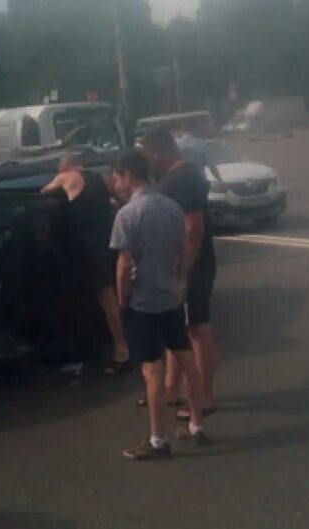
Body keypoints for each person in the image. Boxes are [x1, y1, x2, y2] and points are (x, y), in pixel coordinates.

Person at [110, 149, 209, 460]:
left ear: (127, 175)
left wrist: (123, 299)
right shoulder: (172, 207)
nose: (116, 184)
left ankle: (157, 440)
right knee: (184, 357)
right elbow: (185, 248)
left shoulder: (127, 214)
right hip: (170, 297)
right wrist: (179, 282)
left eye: (117, 177)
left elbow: (124, 266)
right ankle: (196, 425)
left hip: (143, 302)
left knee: (152, 370)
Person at [140, 127, 219, 422]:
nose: (149, 161)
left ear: (158, 152)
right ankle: (171, 390)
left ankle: (205, 397)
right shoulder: (174, 176)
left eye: (148, 155)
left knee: (197, 330)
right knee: (178, 328)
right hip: (178, 267)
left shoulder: (184, 178)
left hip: (191, 267)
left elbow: (193, 228)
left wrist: (185, 269)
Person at [41, 150, 131, 373]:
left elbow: (43, 196)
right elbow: (122, 201)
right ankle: (125, 343)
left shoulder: (66, 177)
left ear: (65, 166)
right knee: (115, 296)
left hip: (87, 251)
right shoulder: (102, 180)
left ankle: (122, 350)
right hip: (108, 245)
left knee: (105, 300)